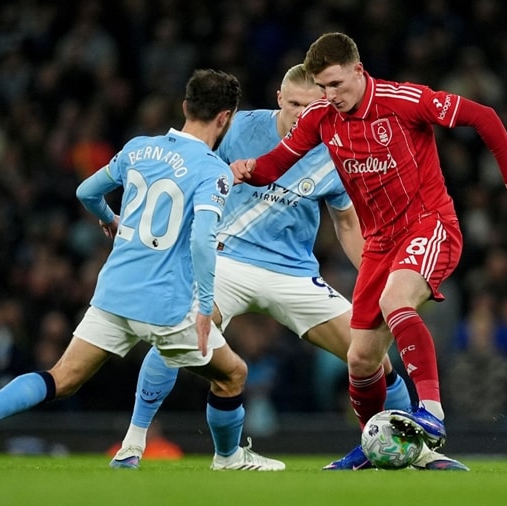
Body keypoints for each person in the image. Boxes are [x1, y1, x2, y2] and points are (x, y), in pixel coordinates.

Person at [108, 64, 467, 471]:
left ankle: (419, 451)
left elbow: (347, 224)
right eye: (294, 104)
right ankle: (133, 443)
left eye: (310, 106)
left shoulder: (336, 146)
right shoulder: (237, 129)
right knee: (180, 331)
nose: (301, 114)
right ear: (279, 98)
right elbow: (191, 174)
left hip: (294, 273)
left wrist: (380, 279)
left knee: (371, 357)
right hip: (230, 260)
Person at [231, 32, 507, 468]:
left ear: (359, 71)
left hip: (429, 225)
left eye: (337, 84)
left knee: (394, 299)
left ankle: (431, 412)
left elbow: (484, 116)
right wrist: (248, 169)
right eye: (323, 87)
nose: (330, 95)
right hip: (381, 244)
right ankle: (372, 445)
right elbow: (275, 164)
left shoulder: (403, 101)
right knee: (361, 359)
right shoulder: (321, 117)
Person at [0, 69, 286, 471]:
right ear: (225, 117)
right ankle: (227, 458)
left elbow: (86, 191)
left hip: (114, 294)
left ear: (185, 107)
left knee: (62, 377)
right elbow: (200, 240)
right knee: (233, 374)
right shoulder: (212, 170)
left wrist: (110, 218)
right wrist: (205, 305)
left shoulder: (139, 148)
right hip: (165, 304)